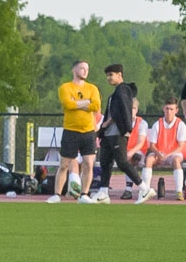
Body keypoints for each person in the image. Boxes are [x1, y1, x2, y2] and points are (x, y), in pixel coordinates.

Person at [92, 64, 153, 204]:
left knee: (122, 162)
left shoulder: (123, 90)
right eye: (107, 75)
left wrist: (117, 125)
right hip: (108, 134)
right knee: (105, 163)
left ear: (120, 75)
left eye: (111, 75)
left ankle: (144, 188)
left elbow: (123, 110)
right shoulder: (116, 92)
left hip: (117, 133)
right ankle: (103, 192)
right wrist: (103, 129)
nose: (108, 78)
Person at [49, 60, 100, 204]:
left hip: (88, 131)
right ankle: (57, 195)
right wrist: (86, 103)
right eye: (82, 68)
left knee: (88, 164)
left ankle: (84, 194)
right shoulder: (65, 87)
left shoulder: (92, 88)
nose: (85, 71)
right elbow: (67, 104)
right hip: (71, 130)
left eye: (87, 69)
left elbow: (96, 105)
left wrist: (77, 103)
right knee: (64, 164)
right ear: (74, 70)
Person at [142, 96, 185, 200]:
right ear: (163, 109)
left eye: (171, 109)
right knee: (149, 159)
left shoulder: (181, 125)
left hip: (173, 154)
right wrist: (158, 154)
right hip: (159, 153)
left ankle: (179, 191)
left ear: (176, 110)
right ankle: (145, 190)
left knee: (176, 160)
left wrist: (167, 155)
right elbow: (152, 145)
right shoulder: (158, 124)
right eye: (167, 109)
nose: (169, 112)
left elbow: (180, 146)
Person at [121, 98, 149, 199]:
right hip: (126, 151)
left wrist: (130, 152)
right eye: (129, 108)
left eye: (133, 108)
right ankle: (102, 188)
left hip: (139, 151)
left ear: (137, 110)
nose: (131, 111)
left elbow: (141, 143)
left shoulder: (142, 123)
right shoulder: (122, 122)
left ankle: (129, 189)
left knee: (132, 158)